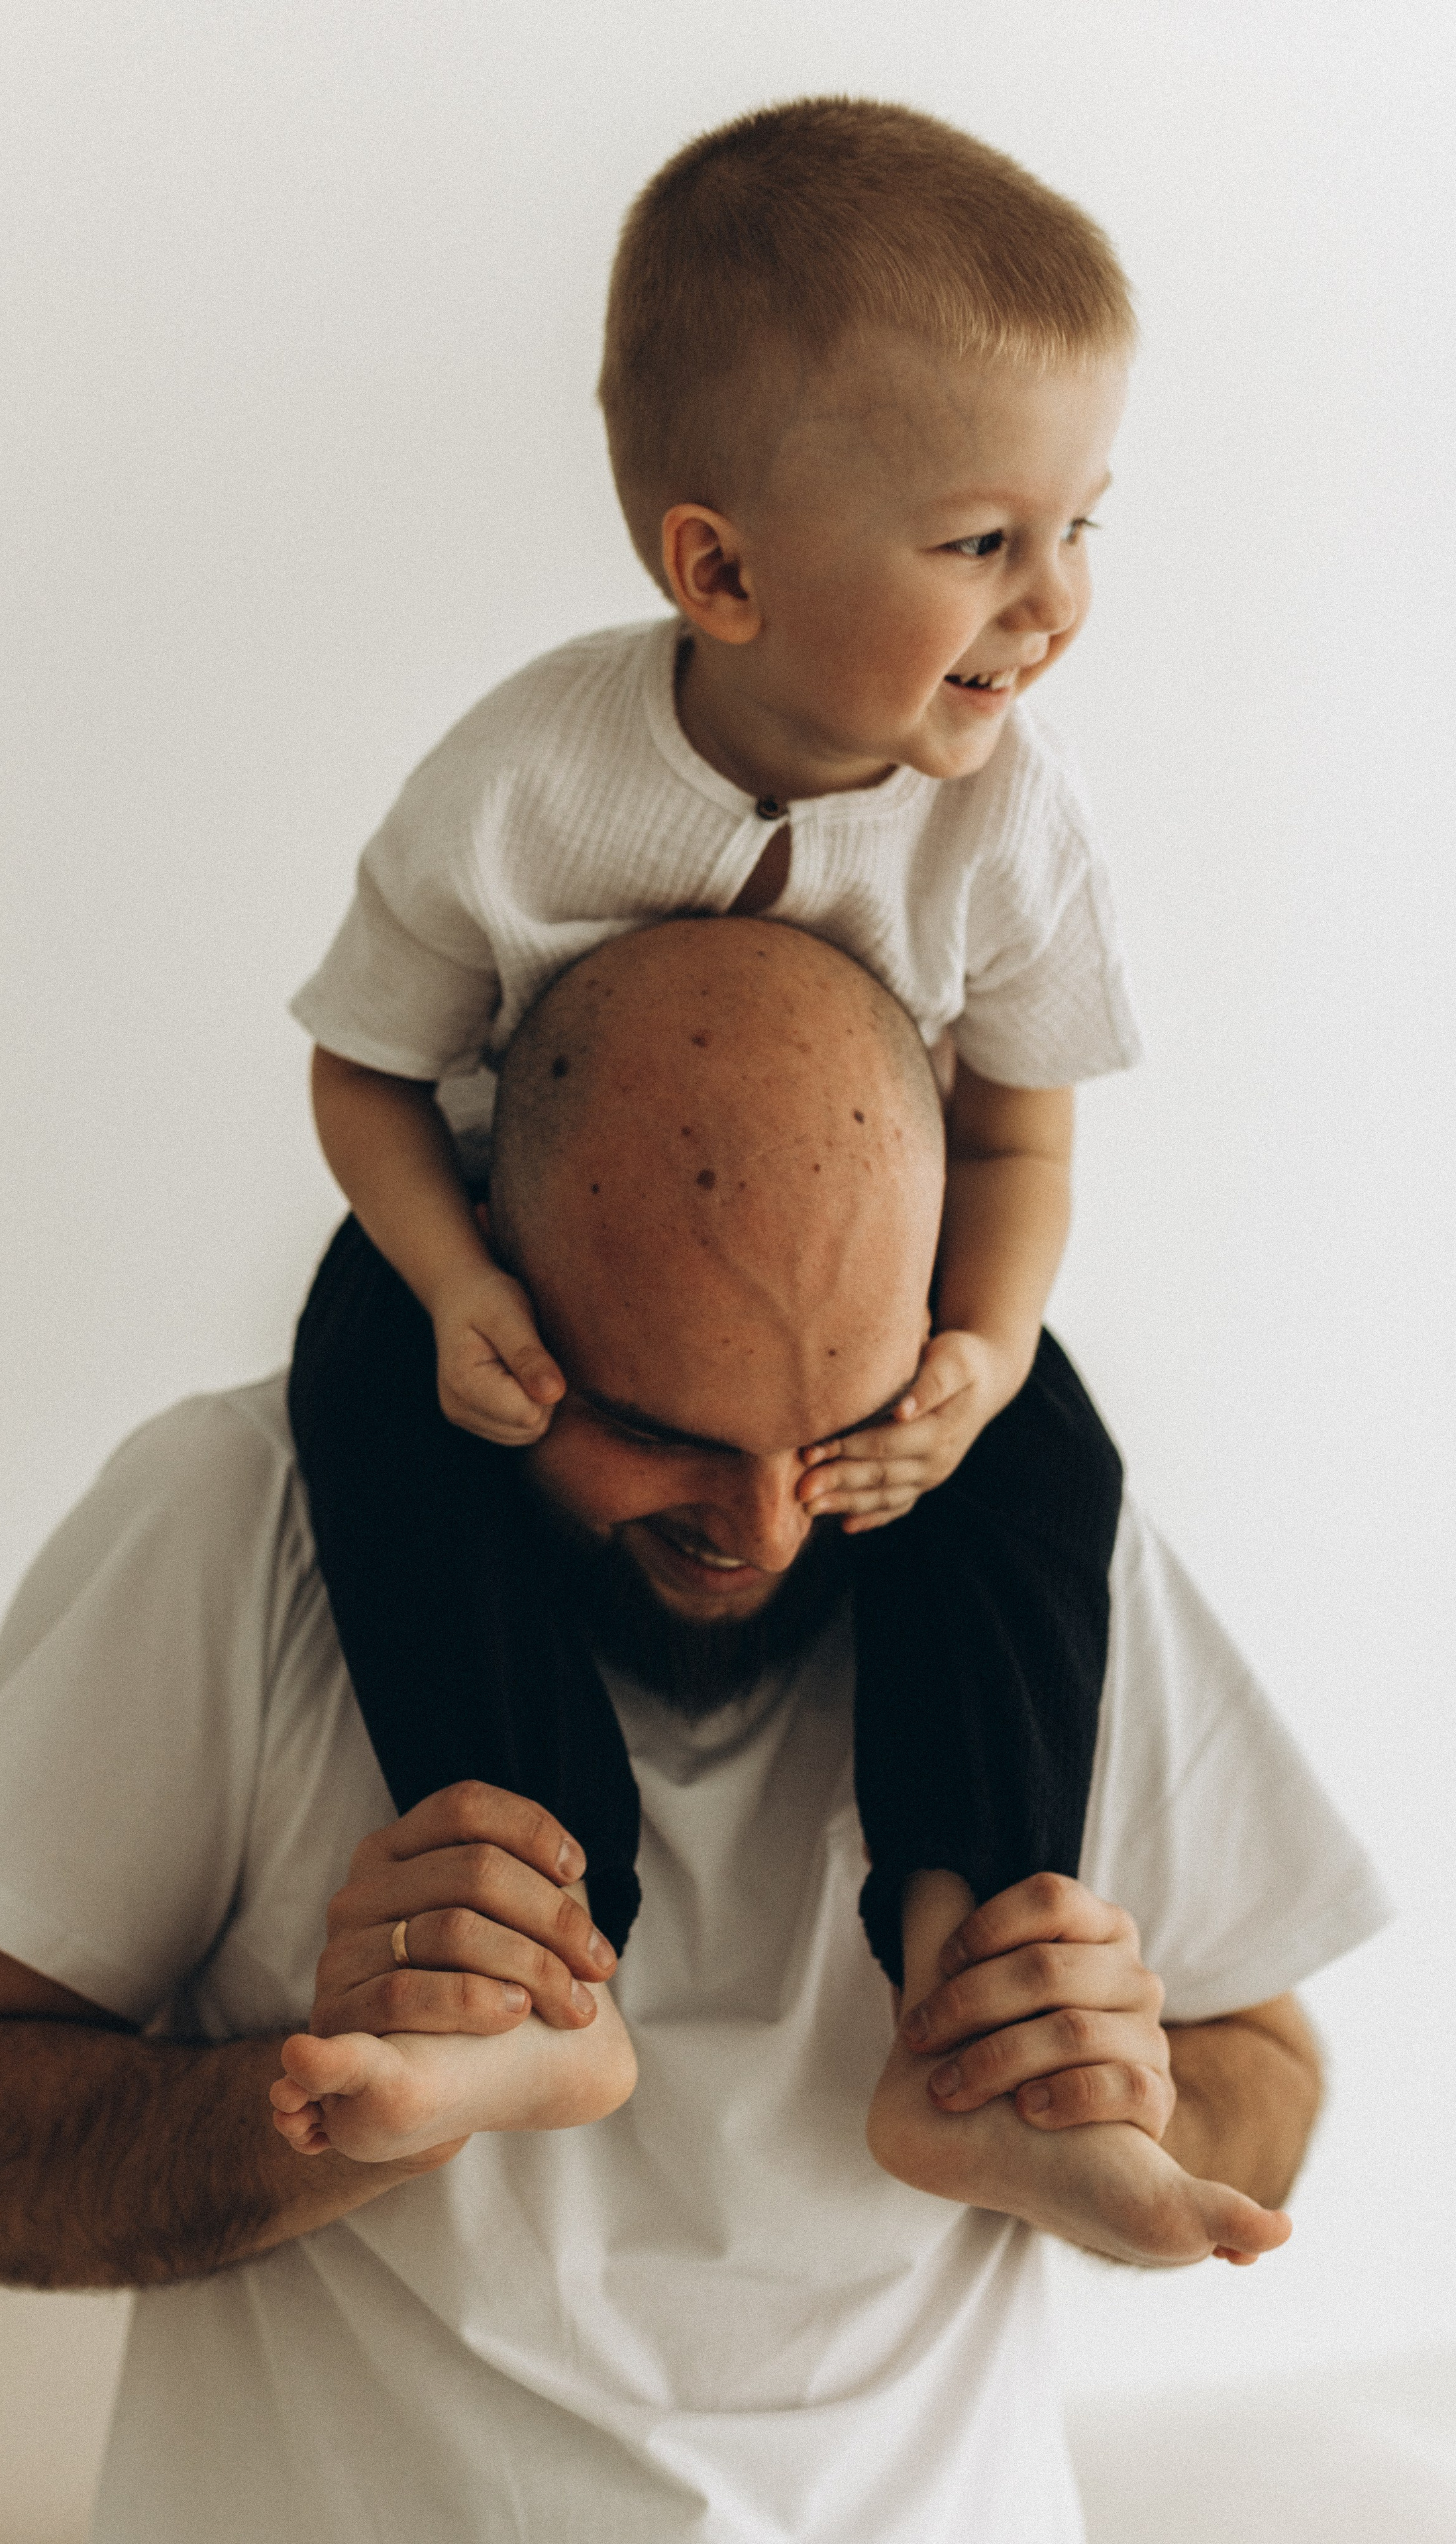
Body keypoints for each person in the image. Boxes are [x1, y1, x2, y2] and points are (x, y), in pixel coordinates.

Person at [0, 923, 1388, 2544]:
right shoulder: (234, 1521)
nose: (765, 1528)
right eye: (659, 1431)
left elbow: (1267, 2079)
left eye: (840, 1426)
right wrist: (316, 2116)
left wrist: (1128, 2093)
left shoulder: (1035, 1564)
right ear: (492, 1295)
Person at [287, 95, 1144, 1972]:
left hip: (859, 1290)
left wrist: (984, 1354)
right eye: (983, 540)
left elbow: (1018, 1139)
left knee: (1042, 1468)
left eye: (1080, 524)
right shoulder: (523, 786)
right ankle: (540, 1938)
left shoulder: (1017, 821)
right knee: (366, 1409)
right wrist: (450, 1283)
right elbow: (364, 1071)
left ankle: (969, 1955)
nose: (1056, 602)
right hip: (525, 1253)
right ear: (724, 574)